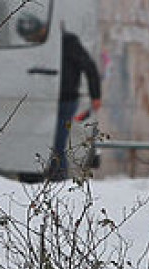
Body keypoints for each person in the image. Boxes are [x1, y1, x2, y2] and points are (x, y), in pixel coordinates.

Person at [49, 30, 102, 180]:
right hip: (54, 98)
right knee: (55, 142)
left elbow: (90, 68)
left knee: (58, 142)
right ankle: (55, 177)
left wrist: (96, 96)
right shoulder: (55, 42)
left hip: (66, 100)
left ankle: (58, 178)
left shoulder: (68, 42)